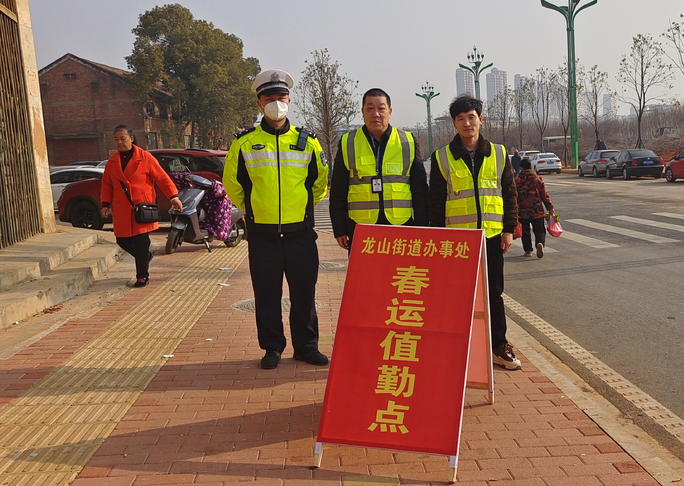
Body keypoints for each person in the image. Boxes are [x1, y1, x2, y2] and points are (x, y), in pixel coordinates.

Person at [223, 69, 330, 370]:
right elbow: (233, 184)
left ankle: (306, 346)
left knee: (304, 294)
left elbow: (320, 182)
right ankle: (272, 347)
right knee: (267, 294)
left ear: (289, 101)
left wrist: (304, 209)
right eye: (269, 98)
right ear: (259, 104)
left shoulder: (308, 142)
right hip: (263, 234)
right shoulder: (244, 143)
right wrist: (255, 209)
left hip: (300, 233)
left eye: (281, 98)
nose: (276, 103)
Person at [428, 95, 521, 370]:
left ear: (481, 119)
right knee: (458, 296)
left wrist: (508, 229)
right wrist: (437, 237)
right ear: (454, 124)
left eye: (472, 117)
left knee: (494, 293)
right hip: (457, 242)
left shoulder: (499, 153)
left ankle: (499, 345)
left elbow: (509, 192)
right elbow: (436, 201)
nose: (467, 123)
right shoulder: (442, 157)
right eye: (461, 119)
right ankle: (458, 347)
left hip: (491, 238)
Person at [329, 88, 427, 249]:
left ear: (390, 111)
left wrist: (422, 227)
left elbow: (420, 190)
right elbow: (338, 190)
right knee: (365, 274)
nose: (376, 114)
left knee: (400, 273)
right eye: (370, 108)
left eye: (381, 108)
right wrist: (339, 228)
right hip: (361, 227)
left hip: (401, 225)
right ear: (362, 112)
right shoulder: (348, 142)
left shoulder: (407, 141)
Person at [100, 125, 182, 288]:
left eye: (122, 138)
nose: (119, 142)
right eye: (116, 139)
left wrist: (173, 197)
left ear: (131, 138)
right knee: (122, 241)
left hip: (142, 207)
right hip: (122, 208)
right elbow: (107, 184)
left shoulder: (145, 158)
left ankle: (142, 276)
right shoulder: (112, 162)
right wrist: (105, 204)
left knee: (141, 242)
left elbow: (162, 178)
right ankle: (145, 257)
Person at [516, 159, 554, 258]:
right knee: (540, 229)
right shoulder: (538, 179)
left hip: (523, 210)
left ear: (521, 168)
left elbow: (513, 196)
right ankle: (540, 243)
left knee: (525, 231)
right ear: (531, 167)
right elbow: (544, 195)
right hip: (537, 210)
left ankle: (528, 250)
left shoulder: (517, 181)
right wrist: (550, 207)